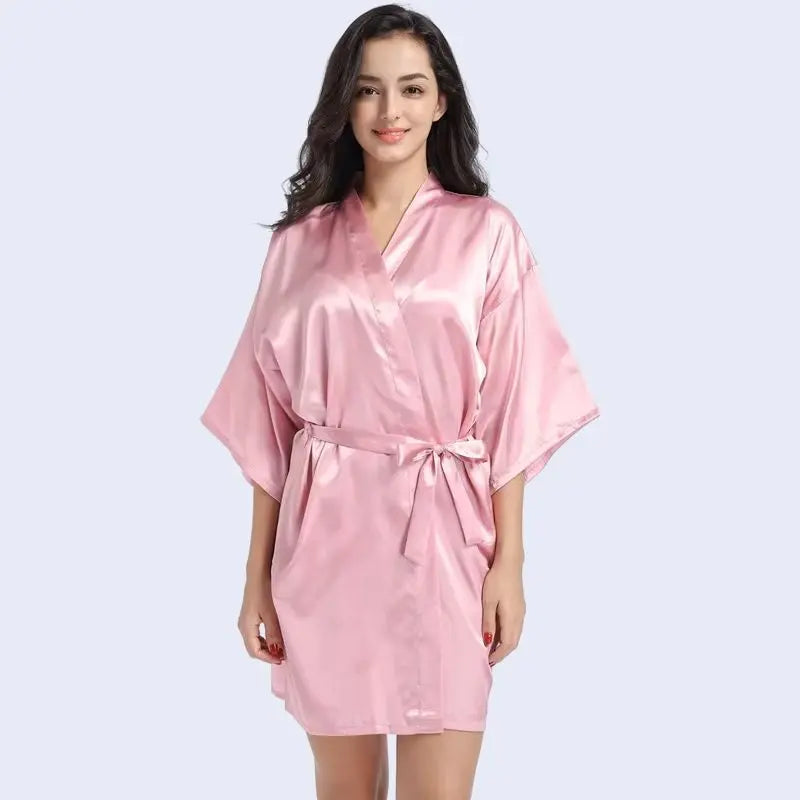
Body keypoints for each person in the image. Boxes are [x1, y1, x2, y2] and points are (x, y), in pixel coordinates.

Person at [199, 4, 601, 798]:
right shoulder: (300, 241)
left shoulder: (488, 233)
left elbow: (515, 406)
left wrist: (509, 562)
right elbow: (267, 423)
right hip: (326, 536)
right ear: (344, 103)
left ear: (442, 101)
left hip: (446, 536)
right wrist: (254, 577)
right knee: (344, 791)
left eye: (412, 88)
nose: (391, 111)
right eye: (369, 89)